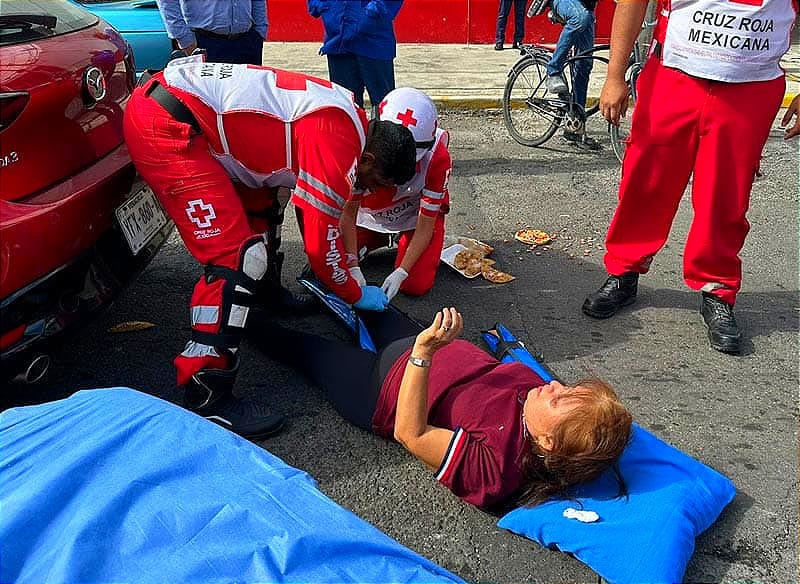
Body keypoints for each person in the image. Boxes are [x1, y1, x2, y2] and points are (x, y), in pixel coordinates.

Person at [123, 57, 415, 438]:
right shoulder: (339, 140)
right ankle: (207, 392)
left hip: (185, 111)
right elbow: (319, 245)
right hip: (168, 127)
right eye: (375, 182)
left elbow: (317, 209)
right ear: (371, 158)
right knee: (237, 257)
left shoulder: (350, 119)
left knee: (264, 207)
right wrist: (355, 293)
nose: (369, 191)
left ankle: (263, 296)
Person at [248, 306, 633, 509]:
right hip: (427, 345)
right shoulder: (540, 405)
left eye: (561, 399)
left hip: (380, 389)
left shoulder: (495, 468)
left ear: (548, 442)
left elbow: (410, 433)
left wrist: (423, 353)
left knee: (301, 348)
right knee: (364, 296)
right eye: (568, 387)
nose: (553, 385)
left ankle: (230, 311)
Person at [584, 0, 798, 354]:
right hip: (673, 75)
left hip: (752, 87)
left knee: (725, 194)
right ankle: (624, 270)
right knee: (645, 182)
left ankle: (717, 289)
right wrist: (614, 75)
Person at [339, 87, 452, 301]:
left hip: (413, 217)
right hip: (369, 215)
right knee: (334, 267)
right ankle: (381, 236)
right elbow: (347, 212)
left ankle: (398, 239)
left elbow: (426, 223)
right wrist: (352, 263)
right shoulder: (360, 144)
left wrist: (402, 272)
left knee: (414, 284)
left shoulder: (437, 158)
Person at [307, 0, 404, 110]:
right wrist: (322, 5)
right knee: (345, 106)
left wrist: (372, 12)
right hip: (338, 40)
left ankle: (382, 127)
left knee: (383, 105)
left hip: (373, 40)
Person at [545, 0, 600, 149]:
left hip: (586, 8)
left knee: (585, 63)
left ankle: (575, 126)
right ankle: (553, 70)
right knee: (579, 18)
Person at [156, 0, 267, 65]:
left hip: (247, 42)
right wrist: (185, 39)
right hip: (204, 43)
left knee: (247, 99)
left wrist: (259, 31)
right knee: (205, 103)